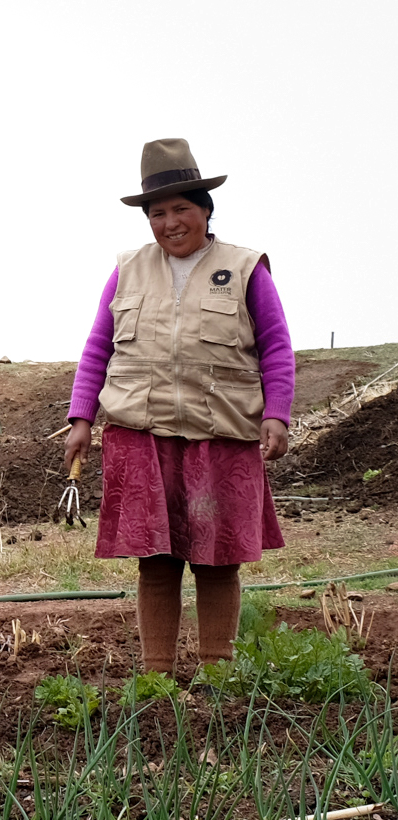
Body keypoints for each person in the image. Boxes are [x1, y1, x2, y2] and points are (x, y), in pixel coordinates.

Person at [63, 139, 292, 677]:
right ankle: (156, 674)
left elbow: (278, 347)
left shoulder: (244, 267)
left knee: (218, 561)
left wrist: (276, 413)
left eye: (182, 209)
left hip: (222, 435)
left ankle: (216, 669)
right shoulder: (126, 270)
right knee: (157, 562)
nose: (170, 223)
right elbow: (98, 347)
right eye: (158, 213)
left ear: (206, 211)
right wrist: (81, 418)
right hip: (141, 434)